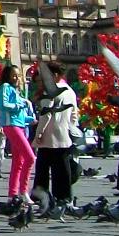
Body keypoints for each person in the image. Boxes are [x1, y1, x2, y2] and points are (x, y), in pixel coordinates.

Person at [32, 61, 79, 204]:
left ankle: (40, 196)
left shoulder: (50, 91)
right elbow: (74, 115)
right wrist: (71, 130)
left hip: (49, 136)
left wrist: (38, 134)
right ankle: (64, 197)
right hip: (64, 135)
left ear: (55, 75)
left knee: (42, 169)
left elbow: (46, 115)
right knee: (62, 170)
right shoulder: (70, 91)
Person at [0, 63, 36, 201]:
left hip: (19, 125)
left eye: (18, 75)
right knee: (30, 158)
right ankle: (23, 191)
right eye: (14, 75)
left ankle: (13, 194)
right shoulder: (5, 87)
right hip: (12, 126)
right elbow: (3, 105)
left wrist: (32, 119)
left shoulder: (16, 91)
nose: (17, 78)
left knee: (18, 162)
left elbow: (20, 115)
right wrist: (19, 105)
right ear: (8, 76)